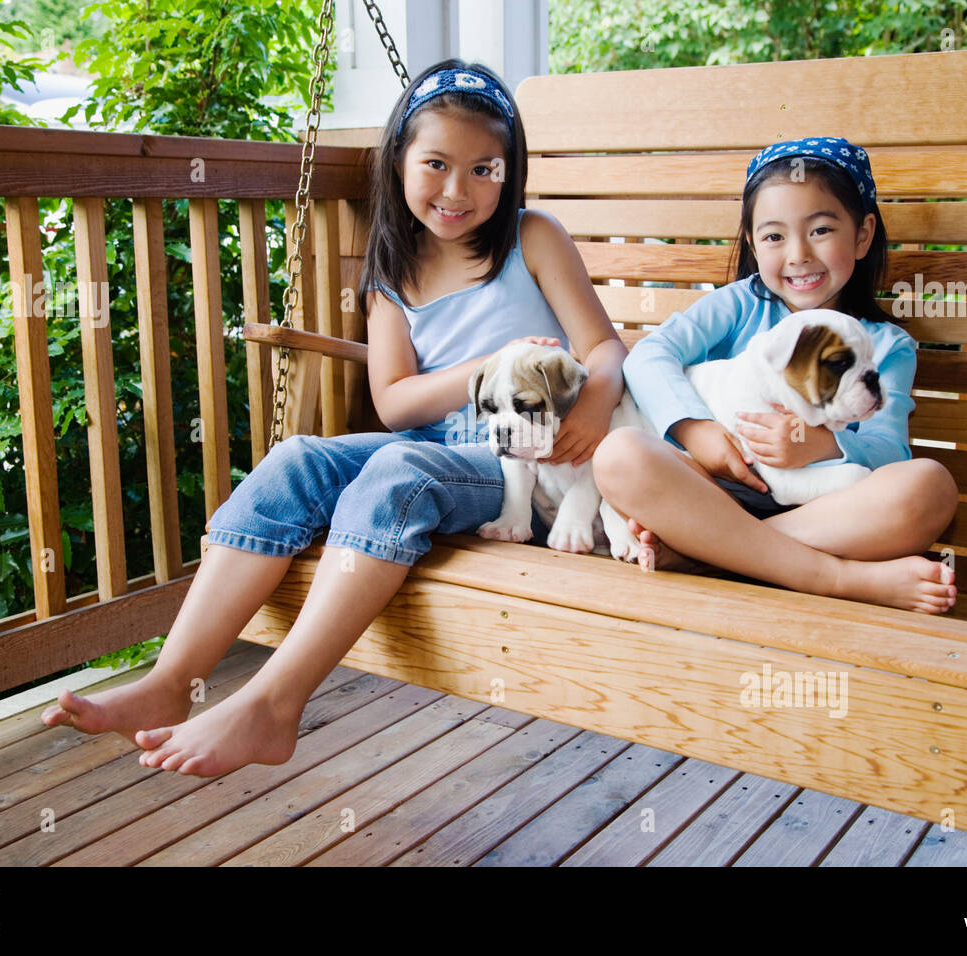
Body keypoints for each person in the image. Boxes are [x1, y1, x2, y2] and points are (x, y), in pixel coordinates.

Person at [41, 60, 626, 774]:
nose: (456, 189)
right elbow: (395, 401)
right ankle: (171, 681)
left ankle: (272, 705)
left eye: (484, 170)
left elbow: (601, 346)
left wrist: (594, 404)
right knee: (298, 459)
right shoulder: (392, 269)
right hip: (432, 438)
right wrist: (481, 367)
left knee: (394, 468)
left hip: (524, 458)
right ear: (399, 162)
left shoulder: (533, 238)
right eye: (436, 164)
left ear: (511, 173)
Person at [592, 136, 959, 614]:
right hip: (706, 493)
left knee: (930, 487)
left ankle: (715, 555)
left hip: (823, 515)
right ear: (751, 242)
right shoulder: (740, 304)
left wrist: (824, 445)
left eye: (821, 230)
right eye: (774, 236)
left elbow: (890, 449)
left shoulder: (886, 345)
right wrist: (694, 430)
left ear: (863, 234)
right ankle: (838, 578)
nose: (798, 254)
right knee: (619, 456)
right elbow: (648, 356)